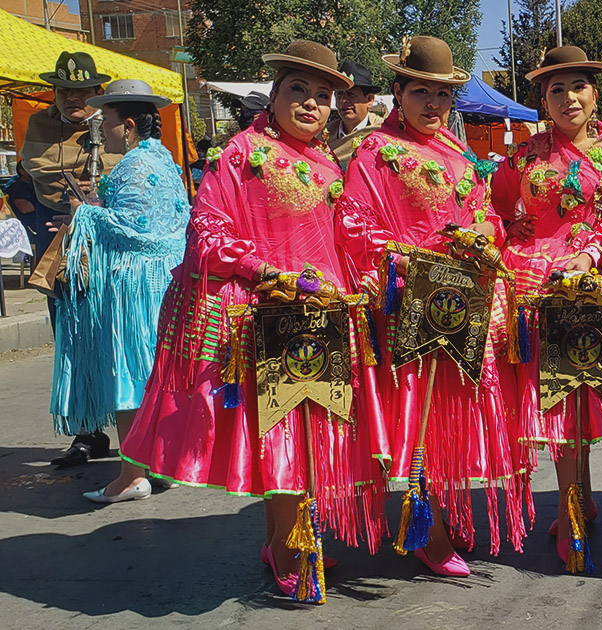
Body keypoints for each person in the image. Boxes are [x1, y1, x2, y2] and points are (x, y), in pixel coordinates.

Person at [120, 41, 389, 597]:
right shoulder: (240, 154)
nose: (313, 105)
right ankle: (291, 549)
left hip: (325, 316)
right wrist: (264, 270)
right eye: (299, 90)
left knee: (308, 433)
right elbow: (208, 234)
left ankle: (280, 541)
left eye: (323, 96)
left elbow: (344, 238)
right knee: (287, 434)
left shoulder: (326, 162)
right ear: (273, 93)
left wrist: (366, 274)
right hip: (266, 317)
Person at [335, 35, 526, 576]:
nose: (434, 105)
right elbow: (353, 226)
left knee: (448, 417)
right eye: (423, 92)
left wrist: (484, 236)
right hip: (407, 303)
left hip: (459, 301)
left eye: (443, 94)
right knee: (417, 416)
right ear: (398, 92)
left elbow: (486, 214)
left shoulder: (458, 154)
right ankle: (429, 529)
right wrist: (408, 259)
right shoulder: (374, 154)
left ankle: (444, 515)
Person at [490, 45, 602, 566]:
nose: (569, 97)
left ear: (595, 94)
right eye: (557, 89)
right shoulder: (526, 152)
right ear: (543, 99)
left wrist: (589, 254)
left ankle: (575, 504)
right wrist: (511, 226)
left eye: (578, 86)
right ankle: (579, 498)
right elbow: (496, 201)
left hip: (583, 283)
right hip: (528, 284)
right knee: (547, 400)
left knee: (573, 396)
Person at [39, 80, 190, 503]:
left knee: (126, 373)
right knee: (154, 374)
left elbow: (131, 231)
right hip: (165, 282)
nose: (101, 129)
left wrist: (85, 214)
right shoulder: (163, 159)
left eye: (105, 121)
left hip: (133, 286)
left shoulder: (133, 167)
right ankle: (160, 464)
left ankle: (130, 475)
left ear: (127, 125)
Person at [20, 51, 121, 469]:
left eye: (80, 91)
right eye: (64, 90)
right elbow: (34, 166)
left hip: (105, 244)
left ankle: (135, 433)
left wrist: (98, 182)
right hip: (55, 246)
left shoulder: (113, 123)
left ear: (96, 92)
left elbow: (130, 166)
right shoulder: (40, 124)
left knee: (112, 333)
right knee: (70, 334)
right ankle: (86, 431)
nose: (72, 98)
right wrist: (73, 182)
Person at [325, 61, 384, 169]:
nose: (343, 100)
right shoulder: (323, 135)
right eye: (339, 94)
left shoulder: (382, 133)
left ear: (370, 100)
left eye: (351, 94)